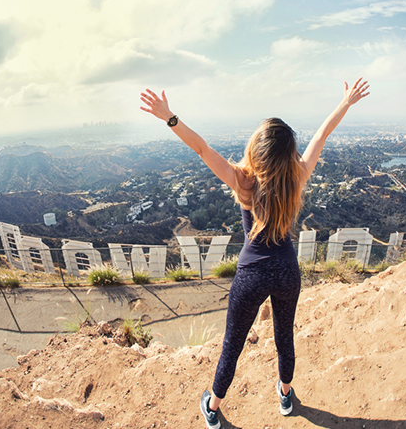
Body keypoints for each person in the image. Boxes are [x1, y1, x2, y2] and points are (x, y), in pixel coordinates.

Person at [140, 78, 370, 428]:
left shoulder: (243, 181)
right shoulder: (298, 178)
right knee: (284, 338)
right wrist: (346, 103)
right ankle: (286, 395)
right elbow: (321, 136)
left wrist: (169, 117)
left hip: (251, 275)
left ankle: (213, 409)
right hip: (287, 273)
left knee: (232, 344)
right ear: (288, 155)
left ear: (256, 151)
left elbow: (202, 149)